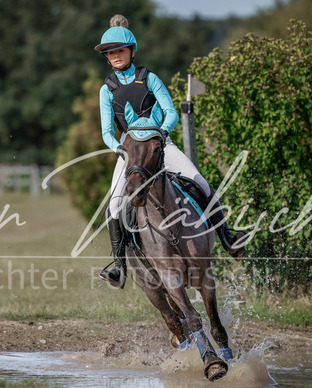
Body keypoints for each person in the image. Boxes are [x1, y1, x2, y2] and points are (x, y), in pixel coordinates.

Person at [96, 15, 246, 289]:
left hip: (160, 143)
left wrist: (162, 134)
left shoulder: (149, 78)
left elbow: (171, 113)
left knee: (199, 181)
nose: (115, 56)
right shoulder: (107, 90)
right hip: (130, 152)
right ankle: (119, 266)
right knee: (114, 206)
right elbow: (107, 132)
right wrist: (119, 149)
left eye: (119, 50)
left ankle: (227, 237)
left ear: (131, 51)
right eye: (110, 53)